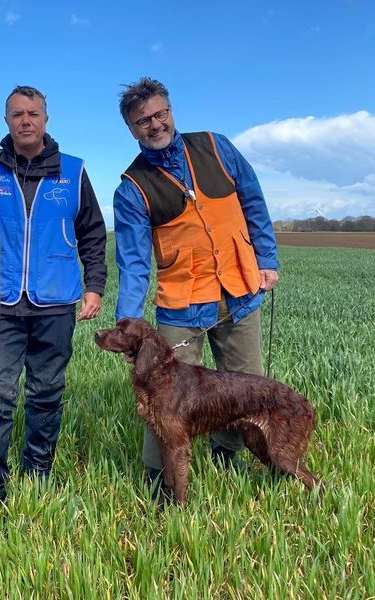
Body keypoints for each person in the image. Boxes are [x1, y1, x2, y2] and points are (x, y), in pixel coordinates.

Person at [113, 77, 279, 490]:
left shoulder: (217, 146)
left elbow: (253, 202)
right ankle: (158, 479)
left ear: (171, 110)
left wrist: (267, 259)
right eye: (143, 121)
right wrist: (127, 324)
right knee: (162, 396)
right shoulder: (131, 189)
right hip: (182, 304)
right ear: (131, 129)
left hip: (241, 289)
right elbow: (133, 263)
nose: (155, 124)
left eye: (160, 114)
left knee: (242, 385)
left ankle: (227, 455)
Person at [0, 85, 107, 502]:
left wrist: (94, 287)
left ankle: (37, 470)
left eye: (33, 113)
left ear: (46, 120)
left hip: (55, 303)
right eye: (17, 114)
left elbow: (92, 232)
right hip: (0, 301)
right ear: (6, 121)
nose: (25, 120)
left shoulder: (72, 172)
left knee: (46, 392)